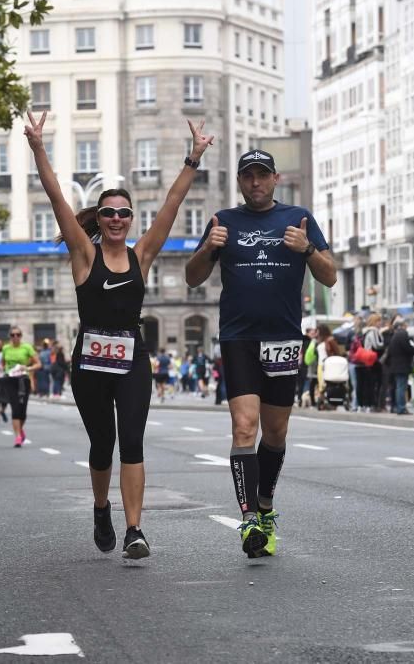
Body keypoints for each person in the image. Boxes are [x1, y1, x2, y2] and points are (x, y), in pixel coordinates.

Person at [26, 110, 213, 559]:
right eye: (108, 212)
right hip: (90, 361)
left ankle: (134, 529)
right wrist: (38, 148)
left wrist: (193, 158)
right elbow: (55, 199)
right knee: (101, 443)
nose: (115, 218)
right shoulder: (84, 256)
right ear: (100, 218)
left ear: (130, 219)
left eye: (123, 213)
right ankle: (100, 507)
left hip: (131, 359)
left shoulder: (142, 255)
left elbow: (170, 206)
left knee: (132, 438)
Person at [185, 147, 336, 558]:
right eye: (248, 176)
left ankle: (265, 505)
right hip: (238, 338)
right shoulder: (224, 221)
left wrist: (306, 249)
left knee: (275, 433)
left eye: (262, 175)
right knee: (244, 428)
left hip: (283, 340)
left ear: (275, 179)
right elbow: (193, 278)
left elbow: (330, 276)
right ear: (239, 181)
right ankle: (250, 517)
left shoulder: (298, 218)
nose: (255, 182)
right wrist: (208, 249)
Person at [0, 326, 40, 446]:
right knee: (15, 407)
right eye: (12, 335)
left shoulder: (26, 347)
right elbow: (3, 363)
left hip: (23, 380)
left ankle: (20, 429)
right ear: (10, 337)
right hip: (10, 380)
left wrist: (27, 368)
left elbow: (38, 364)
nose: (15, 337)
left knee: (22, 410)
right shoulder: (6, 348)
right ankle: (17, 436)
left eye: (18, 335)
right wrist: (6, 371)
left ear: (21, 336)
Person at [383, 318, 414, 415]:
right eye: (405, 325)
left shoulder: (394, 336)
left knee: (398, 386)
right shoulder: (403, 334)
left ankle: (397, 406)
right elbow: (408, 348)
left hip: (394, 365)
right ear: (402, 325)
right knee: (401, 386)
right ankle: (401, 407)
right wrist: (413, 349)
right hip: (402, 365)